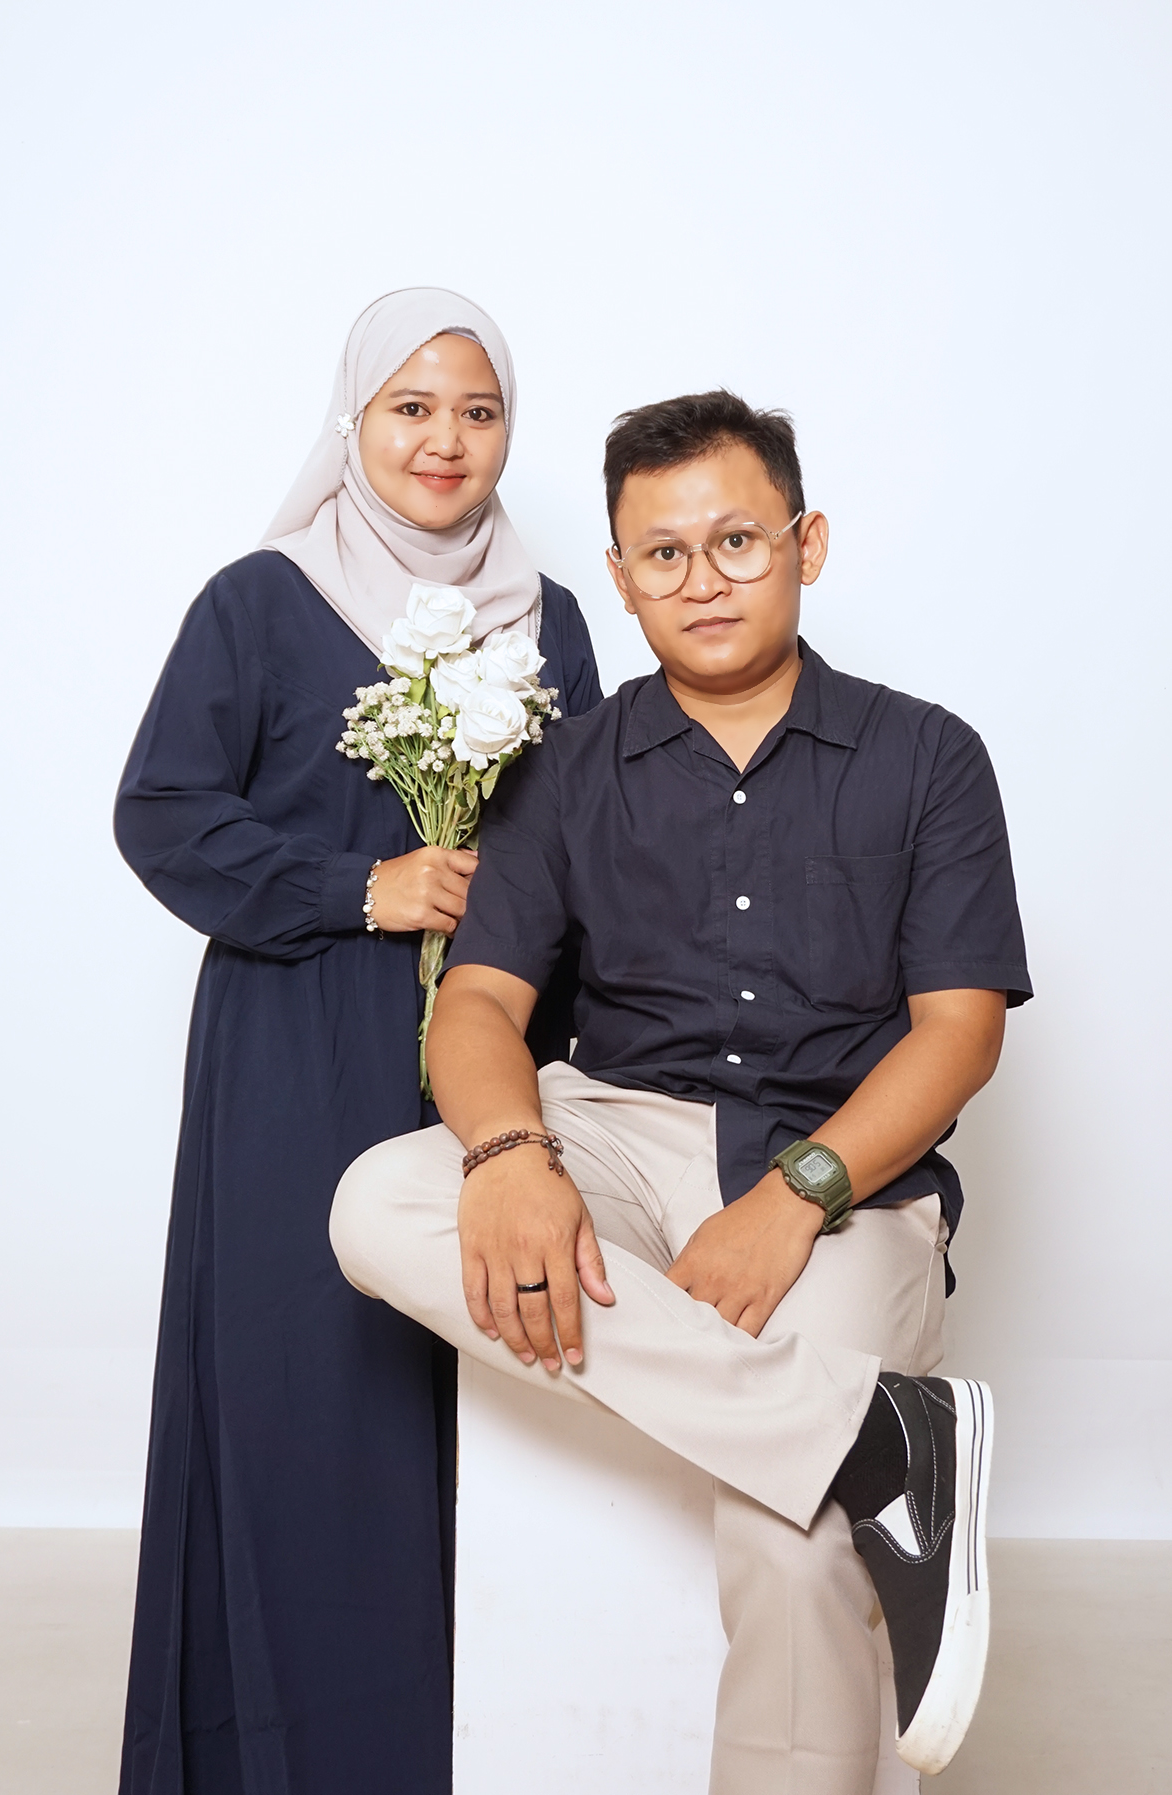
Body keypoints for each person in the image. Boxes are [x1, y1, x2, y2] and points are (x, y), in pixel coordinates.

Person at [330, 390, 1032, 1794]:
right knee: (378, 1201)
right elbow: (480, 1003)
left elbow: (957, 1034)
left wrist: (796, 1196)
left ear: (805, 544)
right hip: (611, 1134)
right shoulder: (565, 770)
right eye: (663, 555)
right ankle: (878, 1440)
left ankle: (846, 1464)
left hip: (846, 1165)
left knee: (795, 1531)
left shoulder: (927, 756)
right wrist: (511, 1155)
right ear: (621, 576)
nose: (701, 581)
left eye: (735, 542)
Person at [113, 288, 602, 1795]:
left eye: (478, 411)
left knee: (492, 1389)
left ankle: (488, 1750)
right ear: (354, 419)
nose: (444, 440)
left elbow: (593, 837)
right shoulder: (260, 601)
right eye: (411, 407)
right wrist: (357, 887)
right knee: (307, 1386)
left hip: (501, 1058)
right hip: (297, 1049)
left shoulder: (551, 618)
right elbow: (161, 812)